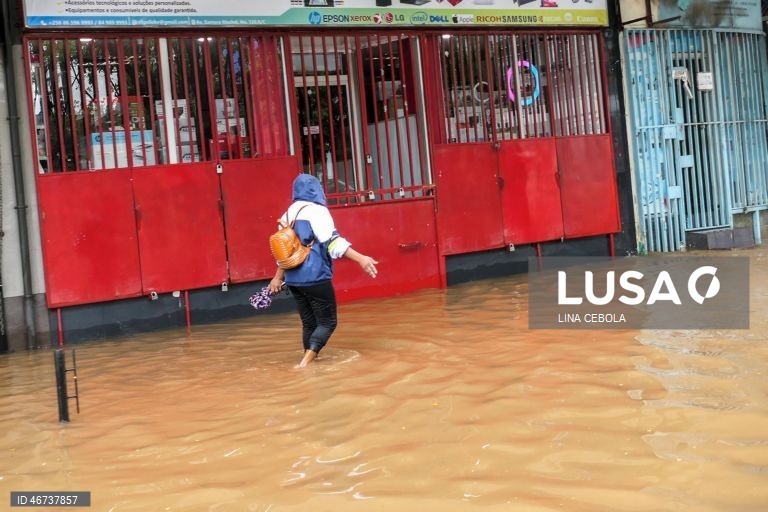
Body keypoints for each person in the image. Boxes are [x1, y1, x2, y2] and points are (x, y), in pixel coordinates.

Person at [269, 174, 378, 368]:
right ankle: (304, 364)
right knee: (328, 322)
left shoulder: (287, 214)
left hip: (293, 279)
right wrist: (361, 258)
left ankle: (312, 359)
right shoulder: (317, 211)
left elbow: (284, 252)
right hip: (315, 276)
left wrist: (277, 278)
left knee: (309, 323)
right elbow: (333, 243)